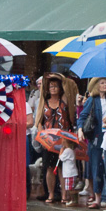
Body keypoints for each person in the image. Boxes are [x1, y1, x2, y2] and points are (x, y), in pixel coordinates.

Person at [78, 77, 106, 209]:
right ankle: (98, 199)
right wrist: (80, 130)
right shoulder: (91, 100)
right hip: (96, 137)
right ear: (96, 86)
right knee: (96, 168)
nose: (105, 85)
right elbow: (82, 116)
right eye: (102, 83)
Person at [37, 73, 76, 203]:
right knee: (49, 167)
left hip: (62, 139)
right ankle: (51, 194)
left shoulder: (64, 100)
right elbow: (39, 122)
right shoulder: (44, 102)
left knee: (61, 167)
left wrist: (58, 76)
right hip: (48, 140)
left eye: (56, 86)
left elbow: (69, 85)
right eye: (51, 86)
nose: (53, 88)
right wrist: (42, 137)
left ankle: (65, 195)